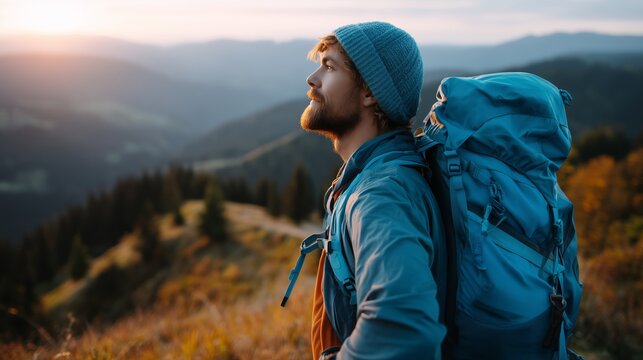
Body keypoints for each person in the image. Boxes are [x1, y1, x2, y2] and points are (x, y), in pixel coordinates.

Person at [300, 21, 446, 360]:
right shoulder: (377, 176)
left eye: (330, 66)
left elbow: (404, 330)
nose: (312, 80)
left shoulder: (381, 195)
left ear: (369, 93)